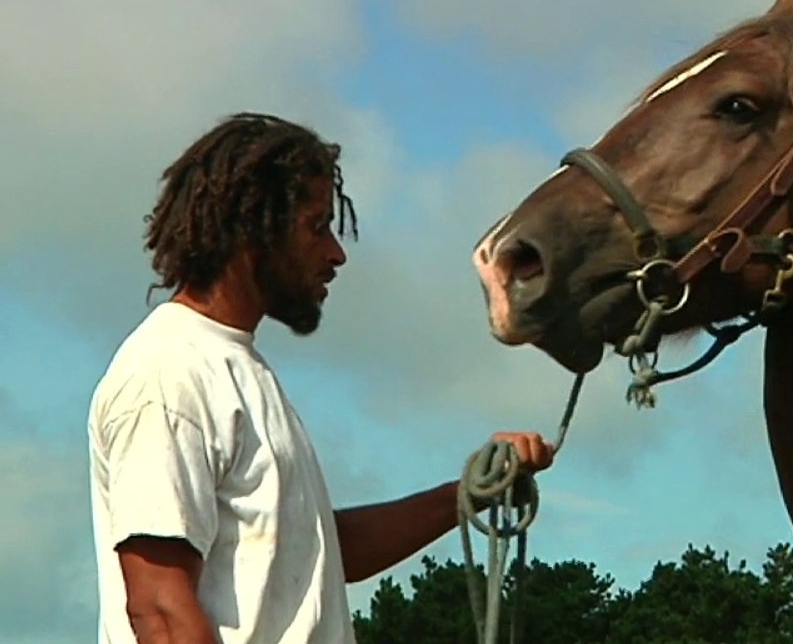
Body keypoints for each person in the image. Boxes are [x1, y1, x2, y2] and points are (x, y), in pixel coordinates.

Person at [86, 112, 556, 643]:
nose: (336, 253)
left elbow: (325, 551)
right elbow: (160, 608)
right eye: (316, 227)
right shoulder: (168, 373)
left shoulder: (235, 368)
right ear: (254, 231)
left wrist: (469, 494)